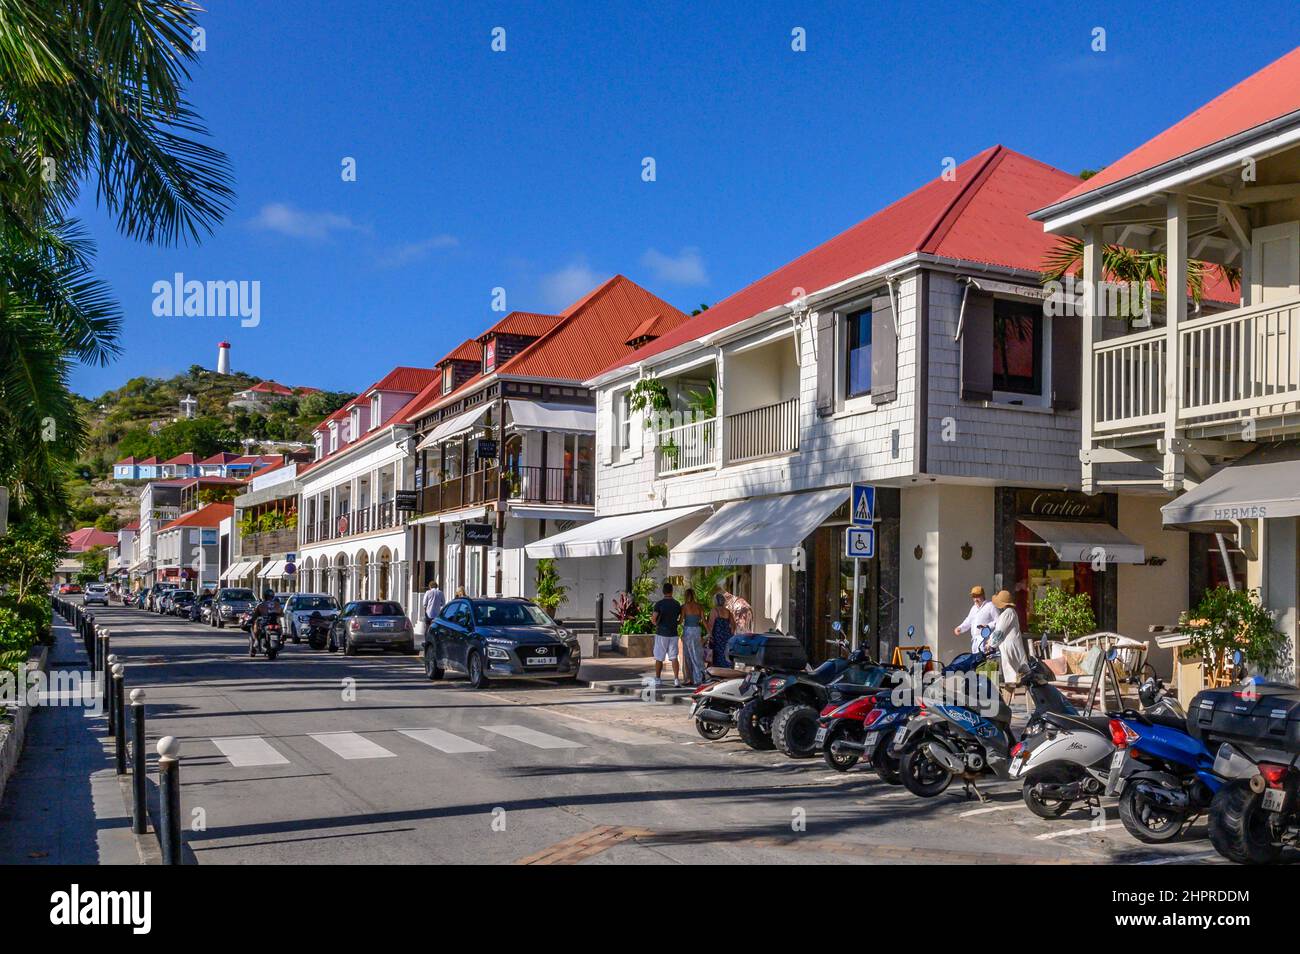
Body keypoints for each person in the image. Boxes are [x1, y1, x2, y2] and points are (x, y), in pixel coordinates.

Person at [985, 589, 1028, 706]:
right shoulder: (1009, 612)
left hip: (1011, 649)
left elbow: (999, 632)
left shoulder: (1007, 613)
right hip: (1009, 648)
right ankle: (1005, 705)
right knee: (1012, 678)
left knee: (1014, 677)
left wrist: (990, 644)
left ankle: (1004, 706)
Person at [651, 582, 682, 687]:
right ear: (672, 591)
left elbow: (654, 619)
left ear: (663, 591)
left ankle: (658, 678)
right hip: (673, 633)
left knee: (659, 657)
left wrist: (656, 624)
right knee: (674, 657)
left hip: (661, 633)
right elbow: (679, 620)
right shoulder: (677, 604)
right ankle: (676, 679)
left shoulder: (659, 604)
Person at [955, 585, 999, 654]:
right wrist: (960, 628)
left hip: (986, 641)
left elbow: (998, 621)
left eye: (977, 596)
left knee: (986, 662)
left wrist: (987, 626)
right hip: (975, 641)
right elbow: (968, 621)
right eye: (973, 597)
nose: (975, 599)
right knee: (976, 663)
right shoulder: (973, 608)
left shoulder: (990, 606)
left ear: (983, 595)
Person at [680, 588, 707, 685]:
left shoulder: (684, 607)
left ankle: (689, 679)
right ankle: (699, 677)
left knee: (688, 655)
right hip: (696, 630)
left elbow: (680, 621)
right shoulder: (699, 606)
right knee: (697, 654)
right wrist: (709, 632)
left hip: (688, 631)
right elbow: (704, 621)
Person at [707, 592, 734, 668]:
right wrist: (731, 634)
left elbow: (710, 625)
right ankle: (726, 672)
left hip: (717, 638)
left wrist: (709, 636)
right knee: (725, 655)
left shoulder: (714, 610)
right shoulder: (728, 612)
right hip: (726, 637)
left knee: (716, 657)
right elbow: (733, 625)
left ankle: (717, 673)